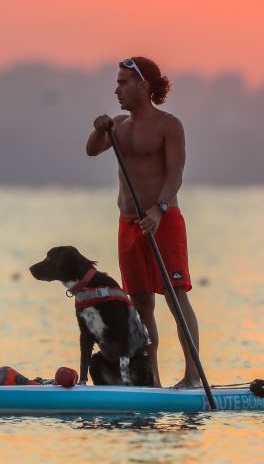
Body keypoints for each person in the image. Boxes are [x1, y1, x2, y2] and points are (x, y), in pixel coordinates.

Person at [85, 56, 203, 388]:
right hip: (129, 225)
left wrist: (159, 209)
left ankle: (192, 377)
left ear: (143, 85)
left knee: (176, 298)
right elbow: (92, 150)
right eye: (117, 82)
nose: (117, 90)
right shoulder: (118, 126)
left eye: (123, 82)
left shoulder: (169, 125)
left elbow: (176, 174)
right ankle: (150, 382)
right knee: (140, 306)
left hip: (163, 221)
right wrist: (98, 129)